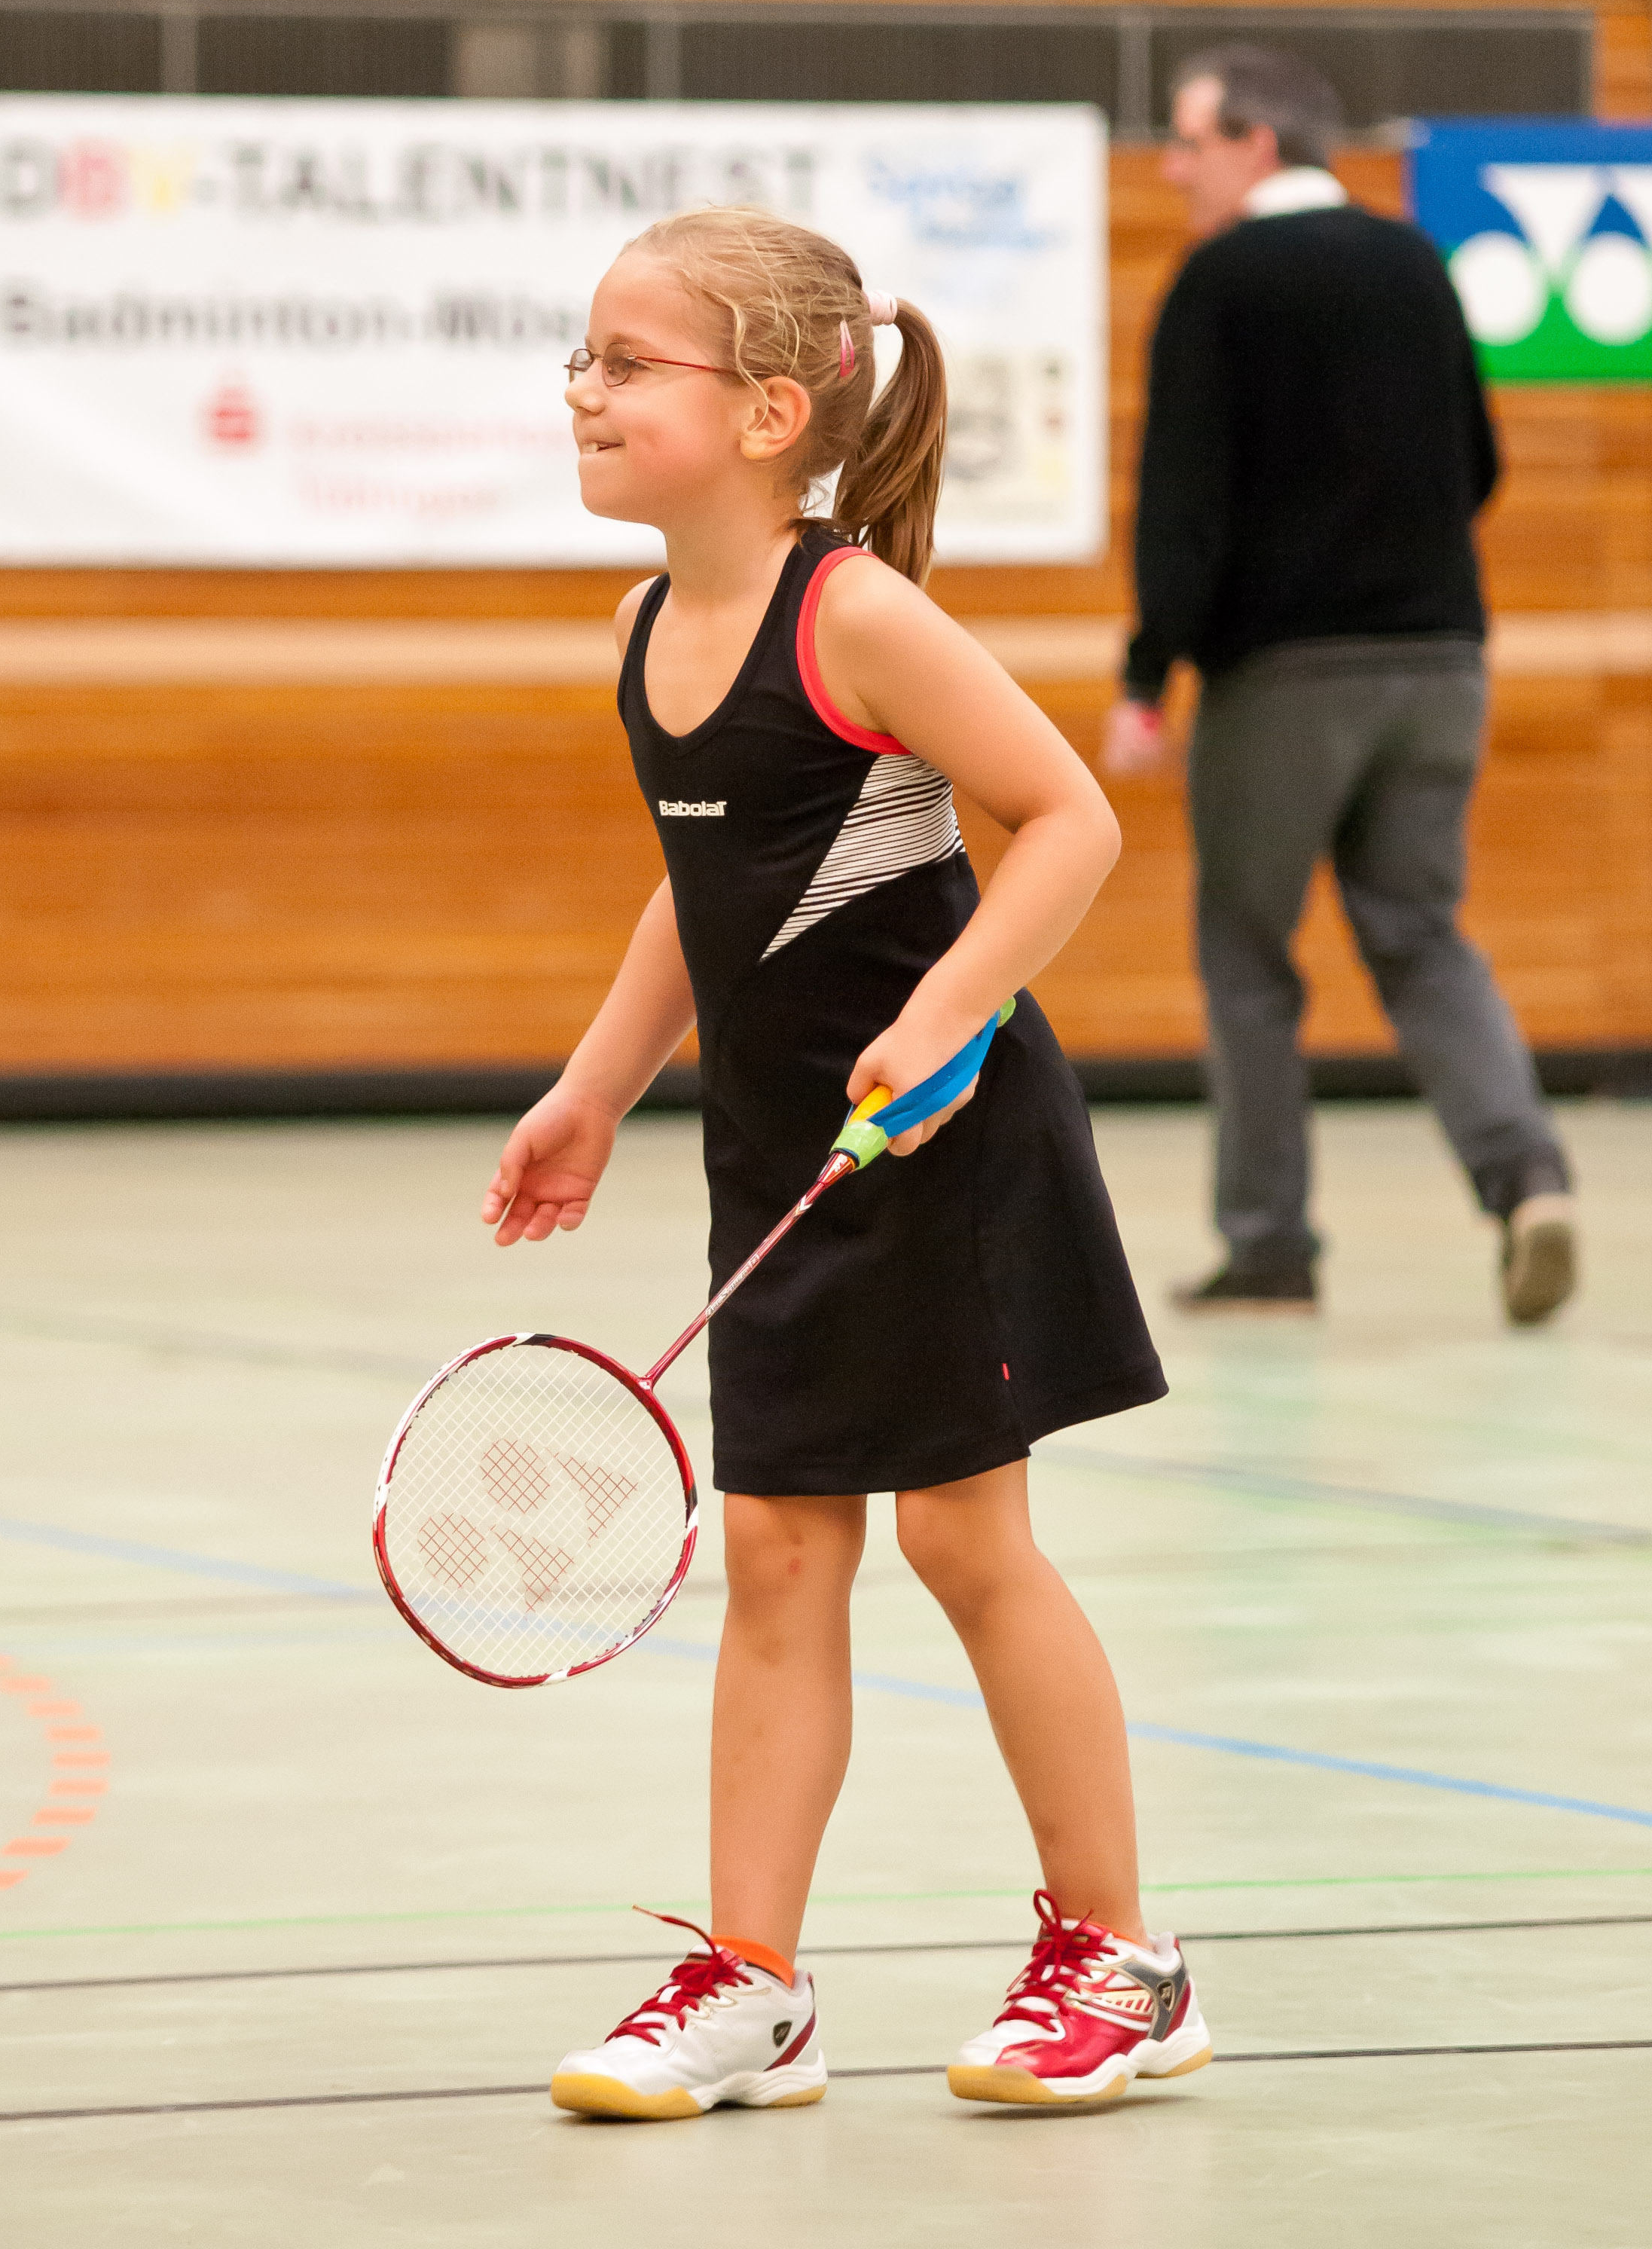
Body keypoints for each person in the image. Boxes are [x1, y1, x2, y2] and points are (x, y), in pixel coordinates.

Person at [480, 206, 1210, 2120]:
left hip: (947, 1144)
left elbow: (1064, 818)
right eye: (581, 356)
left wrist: (950, 1013)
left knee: (966, 1540)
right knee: (780, 1553)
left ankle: (1118, 1962)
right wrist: (594, 1088)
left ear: (768, 412)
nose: (583, 391)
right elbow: (707, 888)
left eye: (627, 363)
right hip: (778, 1157)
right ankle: (752, 1985)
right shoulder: (643, 632)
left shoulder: (853, 617)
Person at [1103, 44, 1577, 1325]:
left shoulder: (1221, 279)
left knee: (1249, 953)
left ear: (1257, 143)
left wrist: (1149, 672)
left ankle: (1270, 1246)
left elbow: (1183, 501)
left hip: (1286, 676)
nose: (1173, 168)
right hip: (1444, 664)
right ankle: (1527, 1177)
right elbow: (1480, 463)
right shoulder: (1415, 262)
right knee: (1422, 935)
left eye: (1189, 141)